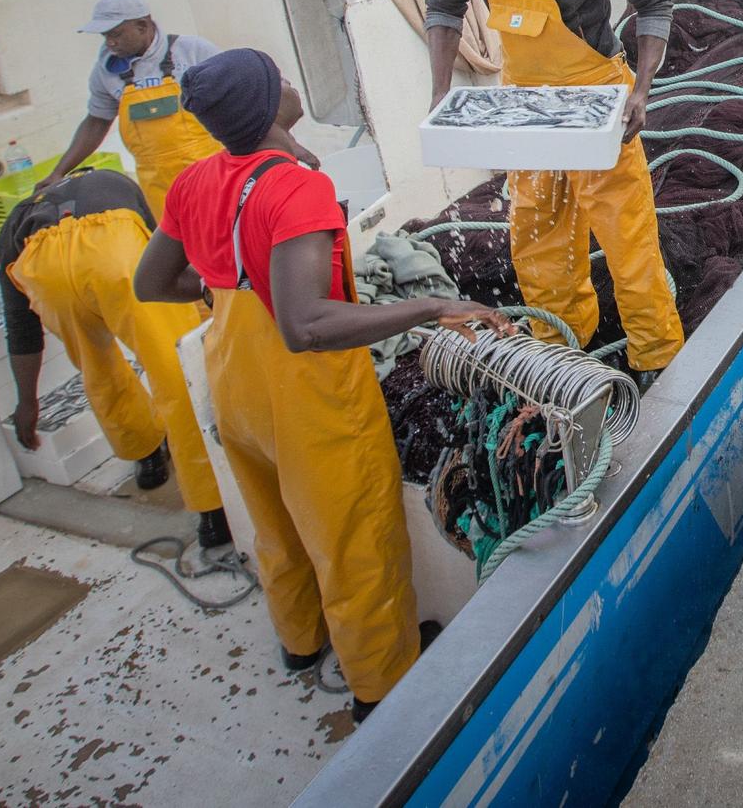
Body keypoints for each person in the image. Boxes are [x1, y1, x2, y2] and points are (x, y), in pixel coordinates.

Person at [134, 48, 509, 722]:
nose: (288, 80)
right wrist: (434, 308)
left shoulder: (194, 180)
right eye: (274, 77)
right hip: (306, 390)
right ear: (261, 106)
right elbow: (305, 324)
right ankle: (382, 689)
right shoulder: (296, 189)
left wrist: (230, 285)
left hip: (232, 375)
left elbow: (152, 282)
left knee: (275, 522)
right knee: (355, 537)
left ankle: (301, 643)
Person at [422, 0, 685, 371]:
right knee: (538, 238)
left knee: (628, 241)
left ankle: (657, 355)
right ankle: (559, 345)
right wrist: (441, 94)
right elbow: (443, 7)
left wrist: (640, 90)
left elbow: (654, 0)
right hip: (527, 103)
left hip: (597, 95)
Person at [0, 167, 228, 548]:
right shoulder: (110, 180)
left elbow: (21, 328)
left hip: (46, 270)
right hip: (115, 251)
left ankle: (148, 458)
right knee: (173, 375)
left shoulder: (15, 221)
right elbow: (167, 258)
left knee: (99, 370)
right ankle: (213, 511)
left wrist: (27, 400)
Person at [40, 0, 317, 219]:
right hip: (160, 188)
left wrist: (289, 143)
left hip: (216, 176)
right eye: (105, 36)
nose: (110, 42)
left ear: (143, 25)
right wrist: (58, 172)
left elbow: (246, 100)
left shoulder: (192, 52)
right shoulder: (105, 71)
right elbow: (96, 121)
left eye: (117, 33)